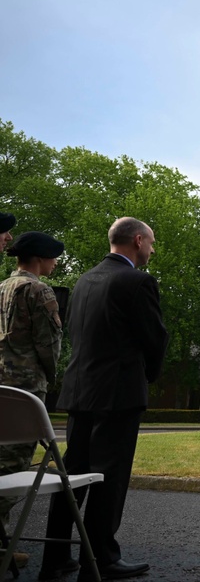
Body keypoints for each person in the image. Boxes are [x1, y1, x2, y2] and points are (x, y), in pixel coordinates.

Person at [40, 217, 168, 582]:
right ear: (138, 240)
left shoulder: (84, 280)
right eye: (152, 243)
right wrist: (148, 376)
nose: (152, 250)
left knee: (73, 475)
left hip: (80, 390)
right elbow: (155, 338)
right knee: (108, 478)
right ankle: (102, 558)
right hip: (118, 392)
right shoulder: (137, 281)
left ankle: (56, 555)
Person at [0, 231, 64, 570]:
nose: (55, 263)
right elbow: (48, 344)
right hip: (24, 389)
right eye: (53, 257)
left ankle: (3, 548)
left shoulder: (1, 287)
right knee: (12, 470)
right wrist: (50, 378)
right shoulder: (39, 290)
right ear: (40, 258)